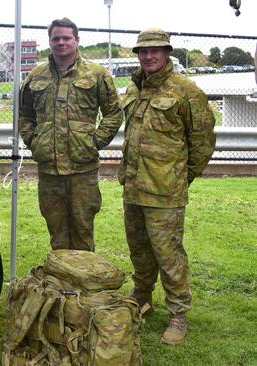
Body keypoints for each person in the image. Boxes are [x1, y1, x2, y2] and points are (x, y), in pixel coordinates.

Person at [119, 28, 216, 345]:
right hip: (133, 188)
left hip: (165, 192)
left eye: (155, 51)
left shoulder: (185, 91)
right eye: (143, 51)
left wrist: (181, 176)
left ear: (167, 52)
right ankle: (142, 296)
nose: (149, 56)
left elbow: (202, 141)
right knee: (139, 248)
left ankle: (178, 313)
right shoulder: (135, 87)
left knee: (168, 253)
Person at [18, 18, 122, 251]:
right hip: (49, 170)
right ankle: (61, 282)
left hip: (82, 170)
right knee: (57, 231)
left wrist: (94, 142)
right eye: (56, 38)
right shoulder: (36, 76)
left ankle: (84, 283)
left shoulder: (96, 74)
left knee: (83, 230)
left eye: (66, 38)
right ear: (50, 41)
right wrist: (35, 142)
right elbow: (24, 115)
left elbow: (114, 113)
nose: (61, 42)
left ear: (77, 40)